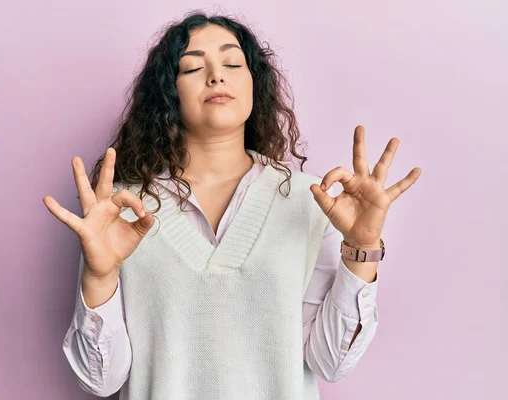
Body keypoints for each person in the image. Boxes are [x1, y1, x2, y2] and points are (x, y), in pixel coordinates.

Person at [43, 10, 420, 400]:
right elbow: (99, 381)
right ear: (167, 93)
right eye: (192, 68)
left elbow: (329, 363)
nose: (216, 75)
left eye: (232, 63)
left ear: (254, 82)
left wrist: (362, 247)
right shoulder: (120, 209)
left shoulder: (312, 202)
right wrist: (99, 277)